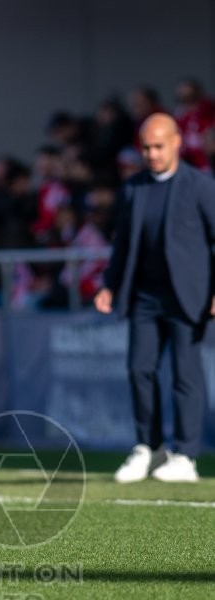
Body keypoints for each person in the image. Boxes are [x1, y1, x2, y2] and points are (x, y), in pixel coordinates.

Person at [94, 113, 215, 484]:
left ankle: (185, 455)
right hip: (144, 295)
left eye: (158, 146)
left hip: (187, 297)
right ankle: (149, 448)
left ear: (177, 142)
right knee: (139, 369)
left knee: (185, 375)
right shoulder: (134, 188)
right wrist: (110, 284)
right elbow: (122, 244)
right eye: (146, 147)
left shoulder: (200, 186)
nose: (152, 153)